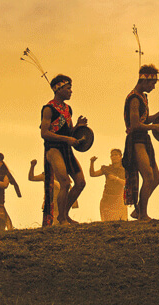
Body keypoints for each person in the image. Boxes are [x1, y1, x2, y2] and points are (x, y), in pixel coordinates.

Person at [123, 64, 159, 221]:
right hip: (136, 141)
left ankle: (138, 211)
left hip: (144, 139)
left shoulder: (142, 97)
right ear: (144, 81)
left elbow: (145, 119)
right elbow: (135, 124)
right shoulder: (134, 99)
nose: (153, 87)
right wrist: (154, 127)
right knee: (149, 176)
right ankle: (142, 214)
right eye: (152, 83)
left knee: (156, 178)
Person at [40, 74, 88, 226]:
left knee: (80, 183)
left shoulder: (67, 109)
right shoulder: (48, 109)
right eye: (68, 88)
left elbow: (69, 132)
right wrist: (67, 139)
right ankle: (61, 219)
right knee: (65, 183)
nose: (71, 91)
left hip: (66, 149)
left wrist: (78, 126)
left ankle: (64, 215)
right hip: (53, 149)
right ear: (58, 89)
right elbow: (44, 133)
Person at [90, 149, 127, 221]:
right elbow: (93, 174)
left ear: (120, 156)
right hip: (107, 200)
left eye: (116, 155)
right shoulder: (107, 169)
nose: (114, 157)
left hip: (119, 200)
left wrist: (116, 179)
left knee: (122, 222)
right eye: (112, 155)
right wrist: (92, 162)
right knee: (106, 223)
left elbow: (127, 183)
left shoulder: (125, 170)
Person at [0, 153, 19, 231]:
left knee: (2, 215)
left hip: (0, 198)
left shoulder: (4, 172)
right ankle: (10, 229)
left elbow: (5, 184)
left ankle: (9, 229)